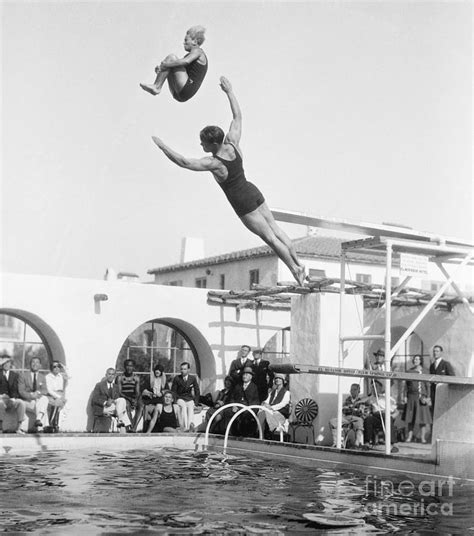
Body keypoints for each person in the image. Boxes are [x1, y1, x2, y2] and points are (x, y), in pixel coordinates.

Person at [151, 76, 306, 286]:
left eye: (203, 143)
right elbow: (237, 116)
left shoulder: (214, 163)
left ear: (213, 143)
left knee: (270, 238)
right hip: (253, 191)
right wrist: (229, 91)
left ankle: (295, 270)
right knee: (276, 229)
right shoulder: (233, 143)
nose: (200, 145)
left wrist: (162, 146)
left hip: (242, 201)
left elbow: (184, 162)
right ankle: (299, 264)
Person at [140, 26, 207, 102]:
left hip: (187, 89)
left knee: (171, 58)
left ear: (195, 41)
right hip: (179, 94)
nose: (183, 43)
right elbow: (176, 67)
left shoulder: (198, 51)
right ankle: (157, 85)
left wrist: (165, 65)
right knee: (172, 63)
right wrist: (161, 70)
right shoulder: (190, 56)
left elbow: (185, 61)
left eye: (186, 40)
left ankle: (157, 86)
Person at [403, 355, 431, 443]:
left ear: (421, 361)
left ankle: (423, 438)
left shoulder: (425, 371)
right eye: (414, 359)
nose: (416, 360)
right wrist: (404, 396)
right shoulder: (409, 371)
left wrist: (428, 397)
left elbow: (428, 385)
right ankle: (409, 437)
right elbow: (406, 386)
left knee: (422, 419)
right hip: (412, 396)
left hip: (422, 397)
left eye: (418, 359)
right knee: (411, 418)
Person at [18, 356, 49, 431]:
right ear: (30, 364)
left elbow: (45, 390)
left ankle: (38, 419)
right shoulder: (23, 375)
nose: (35, 364)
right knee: (43, 402)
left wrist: (37, 393)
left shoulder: (42, 377)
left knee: (44, 398)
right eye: (33, 362)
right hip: (28, 401)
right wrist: (31, 395)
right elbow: (21, 391)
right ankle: (43, 425)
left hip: (38, 400)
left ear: (40, 365)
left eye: (37, 362)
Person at [329, 383, 365, 448]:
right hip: (346, 417)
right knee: (333, 421)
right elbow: (344, 410)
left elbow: (360, 412)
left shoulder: (361, 400)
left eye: (355, 389)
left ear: (359, 391)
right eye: (351, 390)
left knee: (360, 423)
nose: (352, 391)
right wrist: (352, 409)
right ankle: (337, 442)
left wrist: (351, 409)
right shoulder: (347, 400)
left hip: (356, 418)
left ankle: (357, 444)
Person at [0, 352, 27, 433]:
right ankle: (0, 428)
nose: (6, 364)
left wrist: (13, 398)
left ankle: (19, 428)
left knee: (21, 403)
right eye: (4, 362)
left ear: (10, 363)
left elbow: (15, 389)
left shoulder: (14, 375)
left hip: (11, 399)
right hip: (1, 398)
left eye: (8, 362)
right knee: (0, 403)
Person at [257, 373, 290, 438]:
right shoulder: (272, 392)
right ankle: (260, 432)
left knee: (265, 412)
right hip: (270, 411)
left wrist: (271, 407)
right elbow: (267, 400)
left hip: (280, 413)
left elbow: (283, 404)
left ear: (283, 381)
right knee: (261, 412)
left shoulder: (286, 392)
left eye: (279, 378)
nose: (277, 380)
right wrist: (265, 403)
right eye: (276, 378)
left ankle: (271, 429)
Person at [230, 366, 260, 436]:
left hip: (248, 408)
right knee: (226, 412)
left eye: (247, 374)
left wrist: (248, 409)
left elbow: (255, 401)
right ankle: (228, 434)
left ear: (251, 377)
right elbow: (232, 397)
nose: (244, 376)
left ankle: (244, 435)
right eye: (243, 374)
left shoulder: (254, 387)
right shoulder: (238, 386)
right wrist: (233, 405)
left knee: (245, 417)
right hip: (237, 407)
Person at [171, 362, 200, 432]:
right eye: (181, 369)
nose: (182, 371)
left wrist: (196, 403)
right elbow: (173, 391)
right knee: (183, 407)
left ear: (188, 370)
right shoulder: (177, 378)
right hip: (180, 398)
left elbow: (197, 391)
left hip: (189, 398)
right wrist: (174, 401)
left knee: (190, 407)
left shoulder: (192, 378)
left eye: (184, 369)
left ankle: (190, 426)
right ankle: (184, 428)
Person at [139, 363, 167, 432]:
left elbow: (167, 390)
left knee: (158, 408)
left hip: (160, 402)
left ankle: (158, 429)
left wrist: (162, 393)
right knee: (146, 409)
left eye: (159, 370)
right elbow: (143, 389)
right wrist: (149, 393)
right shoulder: (150, 380)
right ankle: (145, 429)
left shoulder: (163, 381)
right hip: (150, 401)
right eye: (156, 370)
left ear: (161, 372)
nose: (157, 372)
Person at [117, 359, 141, 431]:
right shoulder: (120, 377)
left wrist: (135, 400)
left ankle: (134, 428)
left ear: (133, 367)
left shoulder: (136, 378)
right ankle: (131, 427)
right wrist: (129, 399)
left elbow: (137, 392)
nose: (129, 368)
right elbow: (119, 392)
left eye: (131, 366)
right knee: (127, 405)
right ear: (124, 366)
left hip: (133, 397)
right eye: (127, 365)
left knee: (141, 406)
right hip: (124, 397)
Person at [429, 345, 455, 413]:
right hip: (434, 393)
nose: (435, 353)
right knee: (434, 411)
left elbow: (452, 378)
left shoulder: (446, 364)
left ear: (441, 352)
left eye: (437, 351)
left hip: (443, 392)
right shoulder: (432, 366)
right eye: (434, 351)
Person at [45, 361, 69, 432]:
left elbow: (69, 376)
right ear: (51, 368)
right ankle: (53, 424)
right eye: (54, 366)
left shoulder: (61, 376)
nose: (56, 368)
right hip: (51, 396)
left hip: (60, 395)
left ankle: (55, 425)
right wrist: (58, 397)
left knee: (60, 408)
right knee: (57, 405)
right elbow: (49, 390)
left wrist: (63, 367)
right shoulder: (48, 377)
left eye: (58, 366)